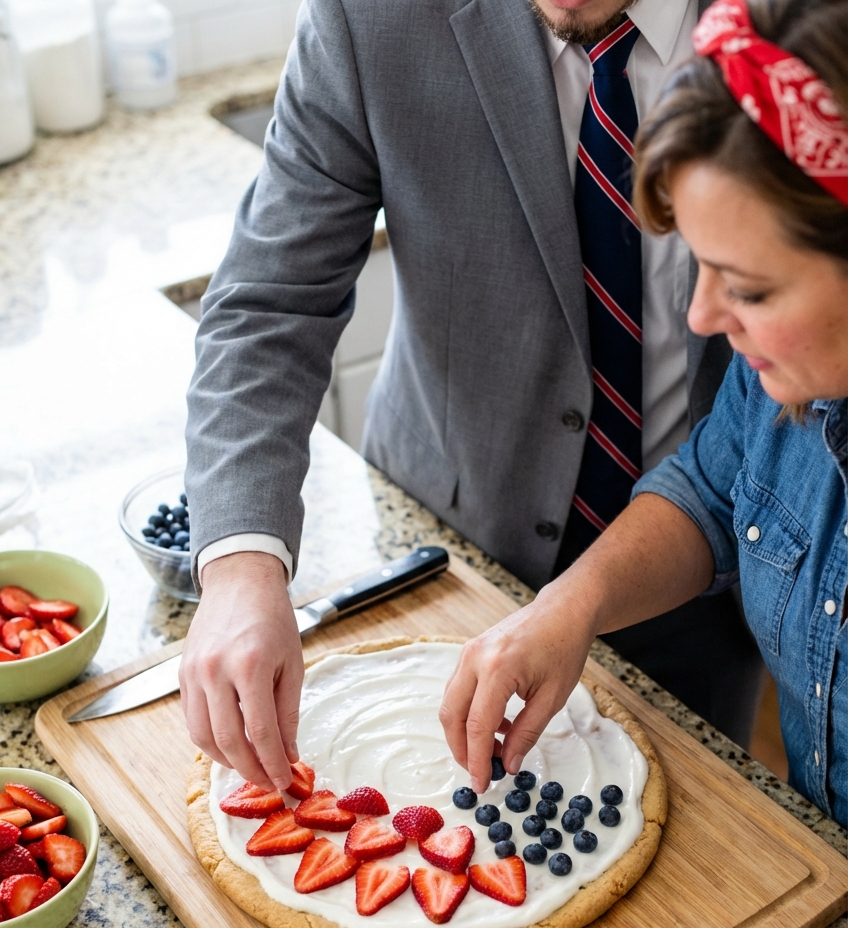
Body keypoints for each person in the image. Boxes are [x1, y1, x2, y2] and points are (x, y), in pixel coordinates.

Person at [180, 0, 765, 798]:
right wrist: (241, 568)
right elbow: (270, 303)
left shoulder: (800, 21)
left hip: (703, 567)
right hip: (450, 557)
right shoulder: (370, 16)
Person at [440, 0, 848, 838]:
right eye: (700, 266)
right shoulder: (779, 384)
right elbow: (711, 488)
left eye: (750, 287)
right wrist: (571, 604)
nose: (701, 317)